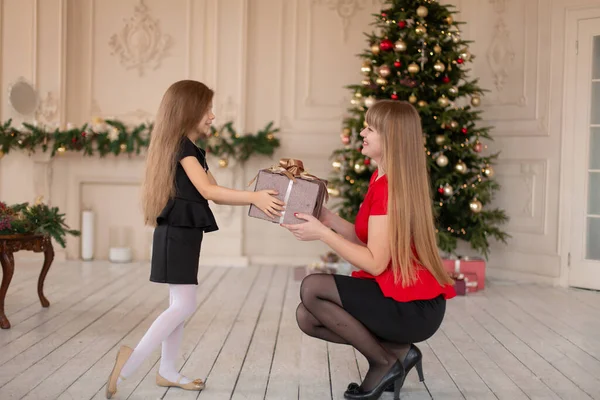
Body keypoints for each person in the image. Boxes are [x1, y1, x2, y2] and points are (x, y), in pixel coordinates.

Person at [105, 80, 284, 399]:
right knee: (184, 305)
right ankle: (130, 361)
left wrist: (255, 194)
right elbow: (208, 191)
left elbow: (217, 194)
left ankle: (168, 371)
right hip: (177, 234)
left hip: (181, 234)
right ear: (189, 112)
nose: (212, 116)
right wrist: (254, 197)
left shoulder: (189, 149)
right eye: (206, 110)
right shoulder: (183, 148)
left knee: (180, 304)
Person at [282, 100, 456, 400]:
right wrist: (328, 219)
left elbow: (375, 263)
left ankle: (383, 362)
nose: (362, 132)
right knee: (307, 316)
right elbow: (367, 238)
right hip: (402, 298)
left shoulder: (389, 188)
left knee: (313, 288)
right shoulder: (381, 179)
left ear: (391, 138)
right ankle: (398, 351)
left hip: (414, 308)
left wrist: (322, 233)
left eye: (370, 128)